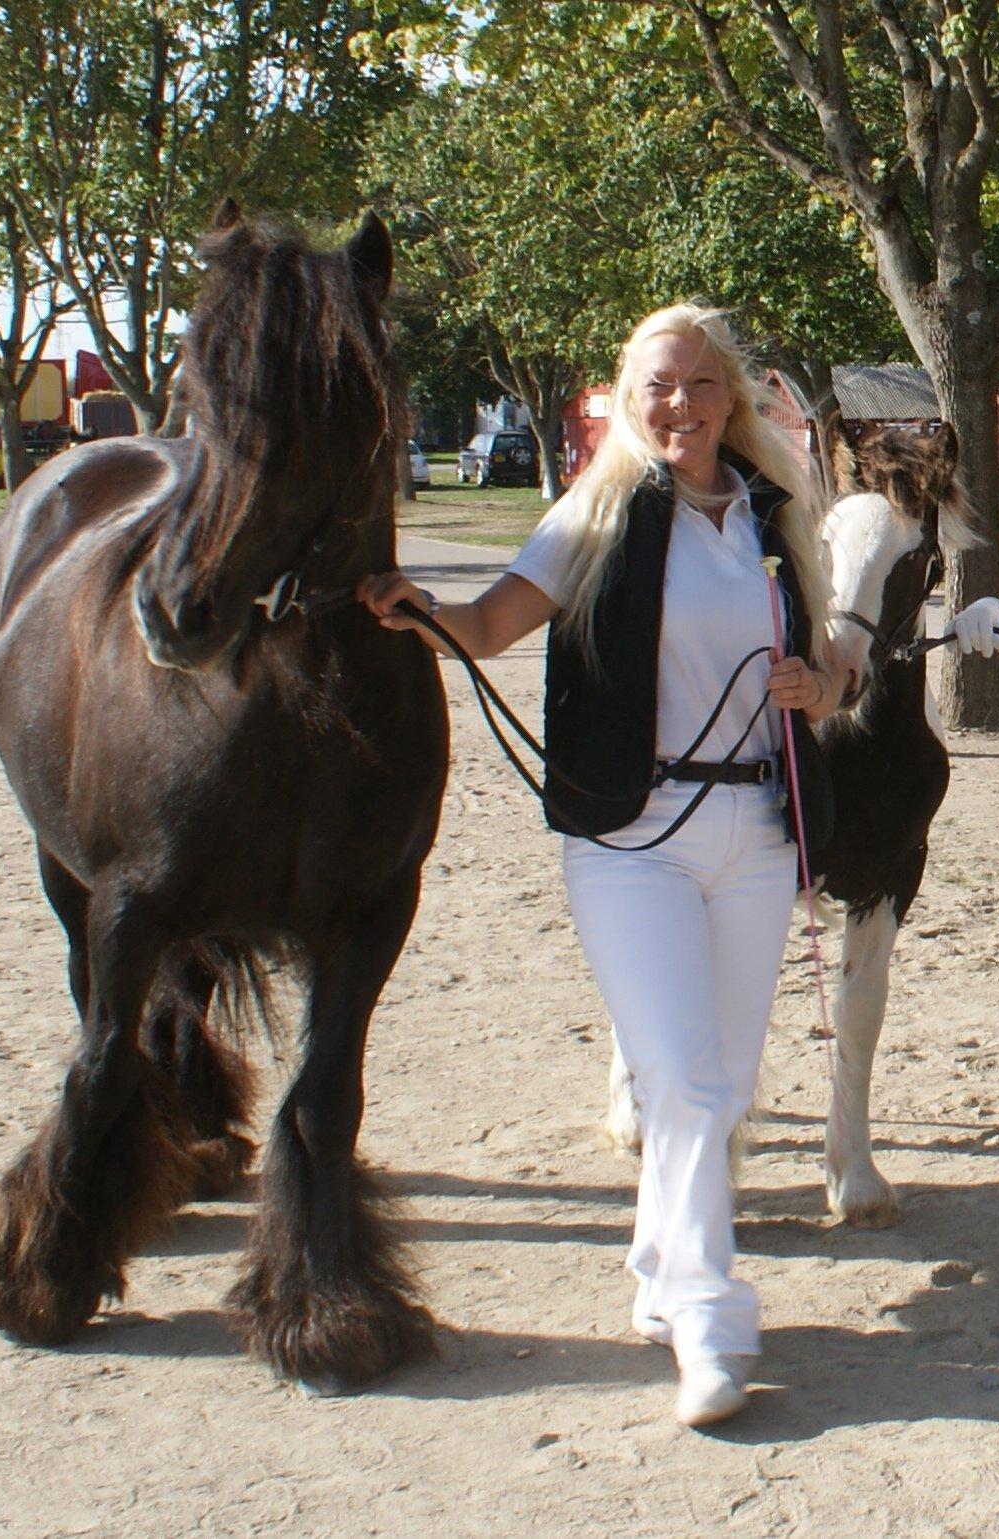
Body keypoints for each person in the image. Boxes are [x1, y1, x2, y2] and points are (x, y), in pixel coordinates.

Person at [359, 305, 850, 1428]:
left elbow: (829, 676)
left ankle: (653, 1272)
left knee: (711, 1088)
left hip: (758, 840)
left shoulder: (774, 523)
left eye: (694, 384)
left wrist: (819, 691)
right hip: (633, 842)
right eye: (652, 389)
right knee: (685, 1084)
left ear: (727, 394)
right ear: (629, 405)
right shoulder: (598, 514)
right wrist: (412, 608)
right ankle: (711, 1322)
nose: (676, 406)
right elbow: (486, 628)